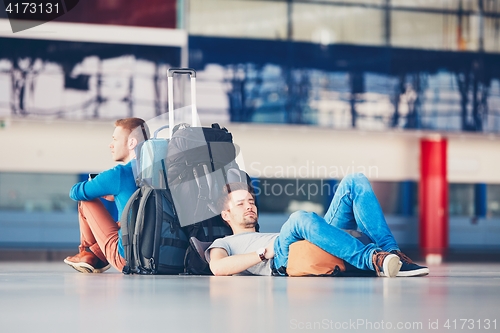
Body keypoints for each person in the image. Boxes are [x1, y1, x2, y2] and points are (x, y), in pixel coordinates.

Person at [206, 174, 429, 277]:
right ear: (226, 214)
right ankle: (373, 259)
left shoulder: (266, 233)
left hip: (303, 241)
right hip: (281, 258)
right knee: (298, 218)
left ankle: (392, 254)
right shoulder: (223, 242)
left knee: (355, 181)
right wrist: (264, 253)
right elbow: (218, 268)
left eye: (252, 202)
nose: (249, 206)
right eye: (241, 203)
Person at [64, 117, 149, 273]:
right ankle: (94, 255)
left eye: (115, 139)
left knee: (86, 201)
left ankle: (89, 255)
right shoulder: (158, 173)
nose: (111, 145)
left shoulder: (120, 173)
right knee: (128, 220)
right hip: (154, 257)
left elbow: (75, 192)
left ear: (131, 143)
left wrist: (98, 186)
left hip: (128, 259)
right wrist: (115, 195)